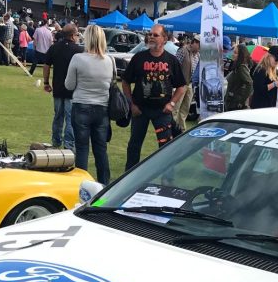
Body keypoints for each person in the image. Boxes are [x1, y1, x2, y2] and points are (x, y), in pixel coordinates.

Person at [122, 23, 186, 169]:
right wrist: (131, 103)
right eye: (150, 34)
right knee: (134, 145)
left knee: (165, 146)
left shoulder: (171, 60)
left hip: (162, 112)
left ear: (164, 39)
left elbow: (181, 86)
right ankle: (129, 176)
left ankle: (166, 176)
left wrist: (172, 104)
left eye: (155, 35)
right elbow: (125, 82)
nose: (151, 37)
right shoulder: (139, 58)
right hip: (140, 110)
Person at [65, 24, 112, 183]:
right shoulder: (109, 60)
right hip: (102, 108)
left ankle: (80, 184)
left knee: (82, 148)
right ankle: (104, 184)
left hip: (82, 106)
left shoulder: (78, 58)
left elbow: (69, 85)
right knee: (101, 150)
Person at [41, 22, 82, 150]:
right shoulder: (78, 50)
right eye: (77, 35)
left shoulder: (54, 48)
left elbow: (46, 66)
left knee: (58, 116)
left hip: (58, 88)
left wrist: (46, 82)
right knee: (70, 118)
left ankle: (56, 141)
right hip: (73, 90)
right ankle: (69, 145)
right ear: (72, 35)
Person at [173, 35, 198, 131]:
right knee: (175, 108)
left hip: (190, 84)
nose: (200, 47)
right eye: (199, 44)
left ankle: (181, 129)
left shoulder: (198, 55)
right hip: (181, 84)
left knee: (185, 109)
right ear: (194, 42)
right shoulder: (183, 50)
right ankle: (172, 129)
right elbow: (175, 66)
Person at [224, 43, 253, 111]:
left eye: (235, 53)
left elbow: (249, 83)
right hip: (231, 102)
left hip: (234, 104)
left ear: (241, 55)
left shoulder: (241, 67)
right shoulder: (238, 66)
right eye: (233, 52)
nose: (233, 54)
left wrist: (241, 101)